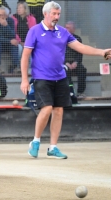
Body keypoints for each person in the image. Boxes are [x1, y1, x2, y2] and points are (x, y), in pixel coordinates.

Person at [20, 1, 111, 159]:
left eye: (58, 14)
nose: (56, 17)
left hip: (60, 78)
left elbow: (81, 47)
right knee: (47, 108)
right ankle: (35, 141)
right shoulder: (34, 31)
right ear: (45, 14)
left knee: (59, 110)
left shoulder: (63, 32)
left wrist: (101, 52)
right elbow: (25, 56)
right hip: (41, 77)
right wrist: (24, 80)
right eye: (54, 14)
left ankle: (53, 147)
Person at [64, 21, 87, 98]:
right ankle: (69, 92)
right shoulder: (61, 39)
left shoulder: (77, 39)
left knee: (82, 70)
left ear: (73, 29)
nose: (66, 29)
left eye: (68, 28)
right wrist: (65, 62)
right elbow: (58, 53)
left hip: (75, 62)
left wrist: (76, 62)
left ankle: (80, 92)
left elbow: (80, 53)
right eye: (66, 27)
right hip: (64, 63)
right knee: (65, 71)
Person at [11, 1, 36, 70]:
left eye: (20, 8)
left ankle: (30, 69)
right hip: (18, 41)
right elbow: (13, 32)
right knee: (19, 48)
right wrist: (20, 42)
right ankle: (19, 67)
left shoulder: (32, 19)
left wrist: (27, 42)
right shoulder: (13, 18)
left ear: (25, 9)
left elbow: (33, 32)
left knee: (30, 49)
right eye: (17, 8)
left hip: (29, 41)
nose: (18, 9)